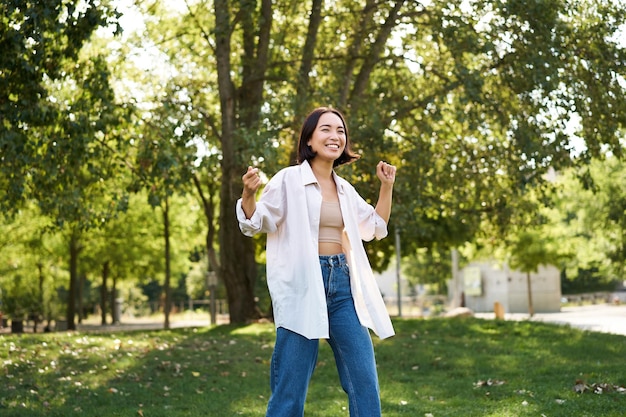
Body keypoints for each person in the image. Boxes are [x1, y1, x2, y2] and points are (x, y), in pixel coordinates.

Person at [236, 107, 396, 417]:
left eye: (340, 130)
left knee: (363, 377)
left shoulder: (345, 190)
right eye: (326, 129)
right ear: (309, 139)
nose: (335, 135)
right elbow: (256, 223)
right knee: (290, 388)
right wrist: (248, 194)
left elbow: (375, 226)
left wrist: (386, 187)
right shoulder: (288, 180)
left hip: (342, 287)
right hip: (302, 288)